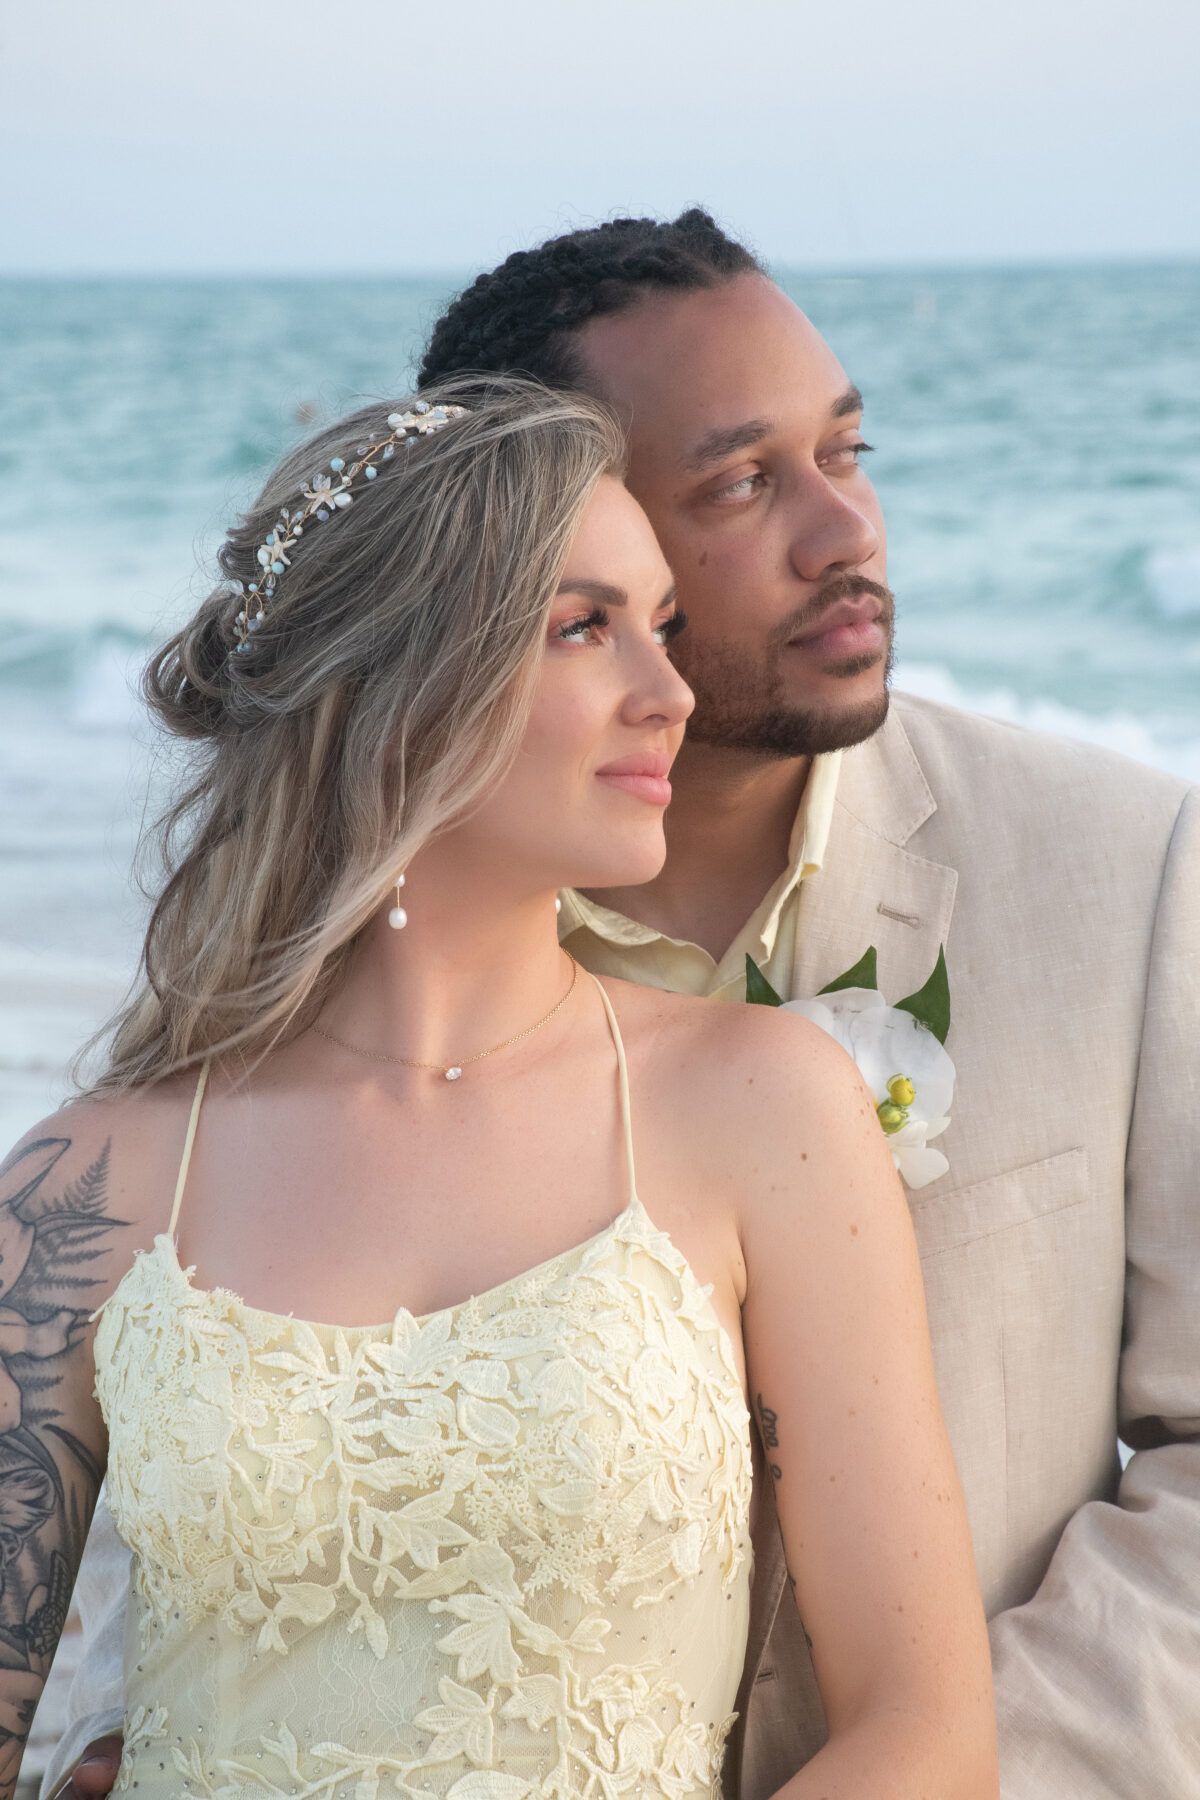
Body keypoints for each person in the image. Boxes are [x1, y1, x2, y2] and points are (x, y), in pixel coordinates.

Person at [0, 378, 997, 1800]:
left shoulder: (763, 1108)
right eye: (585, 627)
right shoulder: (84, 1182)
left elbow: (926, 1733)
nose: (670, 693)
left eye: (661, 625)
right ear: (390, 686)